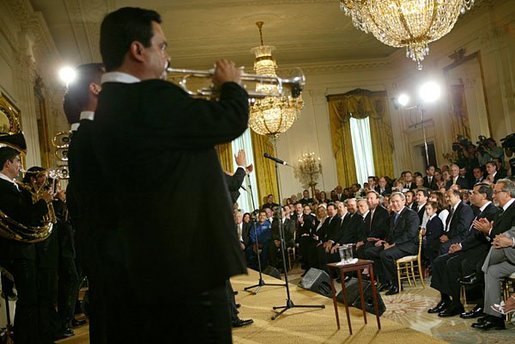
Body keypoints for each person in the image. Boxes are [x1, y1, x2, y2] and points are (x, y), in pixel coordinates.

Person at [92, 7, 249, 343]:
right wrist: (231, 87)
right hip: (189, 271)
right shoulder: (151, 96)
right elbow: (229, 121)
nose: (167, 56)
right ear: (137, 50)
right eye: (161, 47)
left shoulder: (110, 104)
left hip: (152, 266)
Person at [0, 147, 53, 344]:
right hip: (16, 250)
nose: (20, 166)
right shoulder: (2, 187)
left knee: (32, 298)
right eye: (17, 162)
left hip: (25, 249)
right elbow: (21, 215)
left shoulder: (13, 186)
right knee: (28, 299)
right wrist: (42, 203)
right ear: (7, 164)